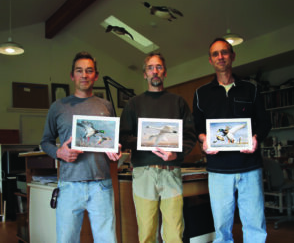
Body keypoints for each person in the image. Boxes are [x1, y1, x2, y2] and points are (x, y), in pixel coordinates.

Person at [193, 38, 271, 243]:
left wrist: (255, 138)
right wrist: (204, 139)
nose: (220, 57)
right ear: (210, 60)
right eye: (215, 54)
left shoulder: (250, 89)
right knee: (221, 227)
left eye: (224, 52)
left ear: (232, 56)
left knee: (255, 223)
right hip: (218, 170)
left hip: (250, 167)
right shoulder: (201, 93)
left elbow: (264, 123)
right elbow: (198, 128)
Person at [40, 51, 122, 243]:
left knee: (107, 239)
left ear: (95, 75)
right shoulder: (58, 107)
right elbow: (45, 142)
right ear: (72, 75)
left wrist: (116, 149)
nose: (84, 75)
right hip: (69, 185)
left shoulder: (106, 106)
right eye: (79, 71)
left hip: (101, 184)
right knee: (66, 239)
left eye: (89, 71)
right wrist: (59, 152)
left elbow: (112, 141)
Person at [119, 52, 196, 243]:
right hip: (144, 173)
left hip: (171, 172)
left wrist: (175, 154)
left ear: (165, 73)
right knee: (146, 233)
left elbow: (190, 135)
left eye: (159, 67)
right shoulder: (133, 104)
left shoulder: (178, 102)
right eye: (150, 68)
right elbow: (123, 136)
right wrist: (146, 139)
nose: (155, 71)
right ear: (144, 74)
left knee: (174, 233)